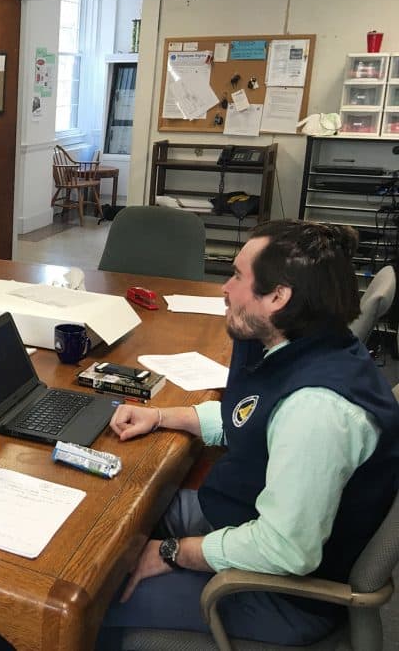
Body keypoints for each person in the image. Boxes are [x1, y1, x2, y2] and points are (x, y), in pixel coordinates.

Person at [98, 220, 399, 648]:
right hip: (246, 516)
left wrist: (170, 552)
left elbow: (284, 550)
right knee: (118, 508)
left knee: (95, 598)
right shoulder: (306, 344)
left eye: (238, 276)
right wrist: (164, 416)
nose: (225, 288)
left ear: (278, 297)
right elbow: (252, 418)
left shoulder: (318, 410)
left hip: (278, 593)